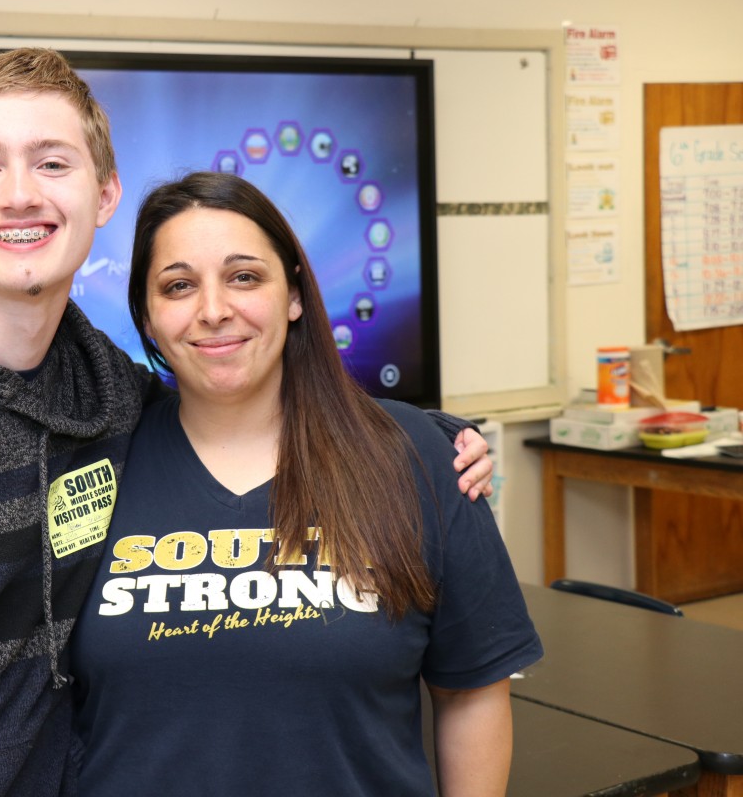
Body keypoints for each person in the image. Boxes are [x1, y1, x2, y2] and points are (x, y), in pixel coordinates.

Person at [0, 49, 493, 796]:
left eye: (53, 163)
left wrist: (432, 438)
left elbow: (237, 396)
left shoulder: (112, 400)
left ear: (103, 196)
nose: (21, 194)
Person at [69, 172, 542, 796]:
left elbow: (471, 692)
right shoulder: (89, 471)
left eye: (244, 277)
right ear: (149, 319)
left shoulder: (419, 458)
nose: (214, 310)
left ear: (293, 294)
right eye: (178, 286)